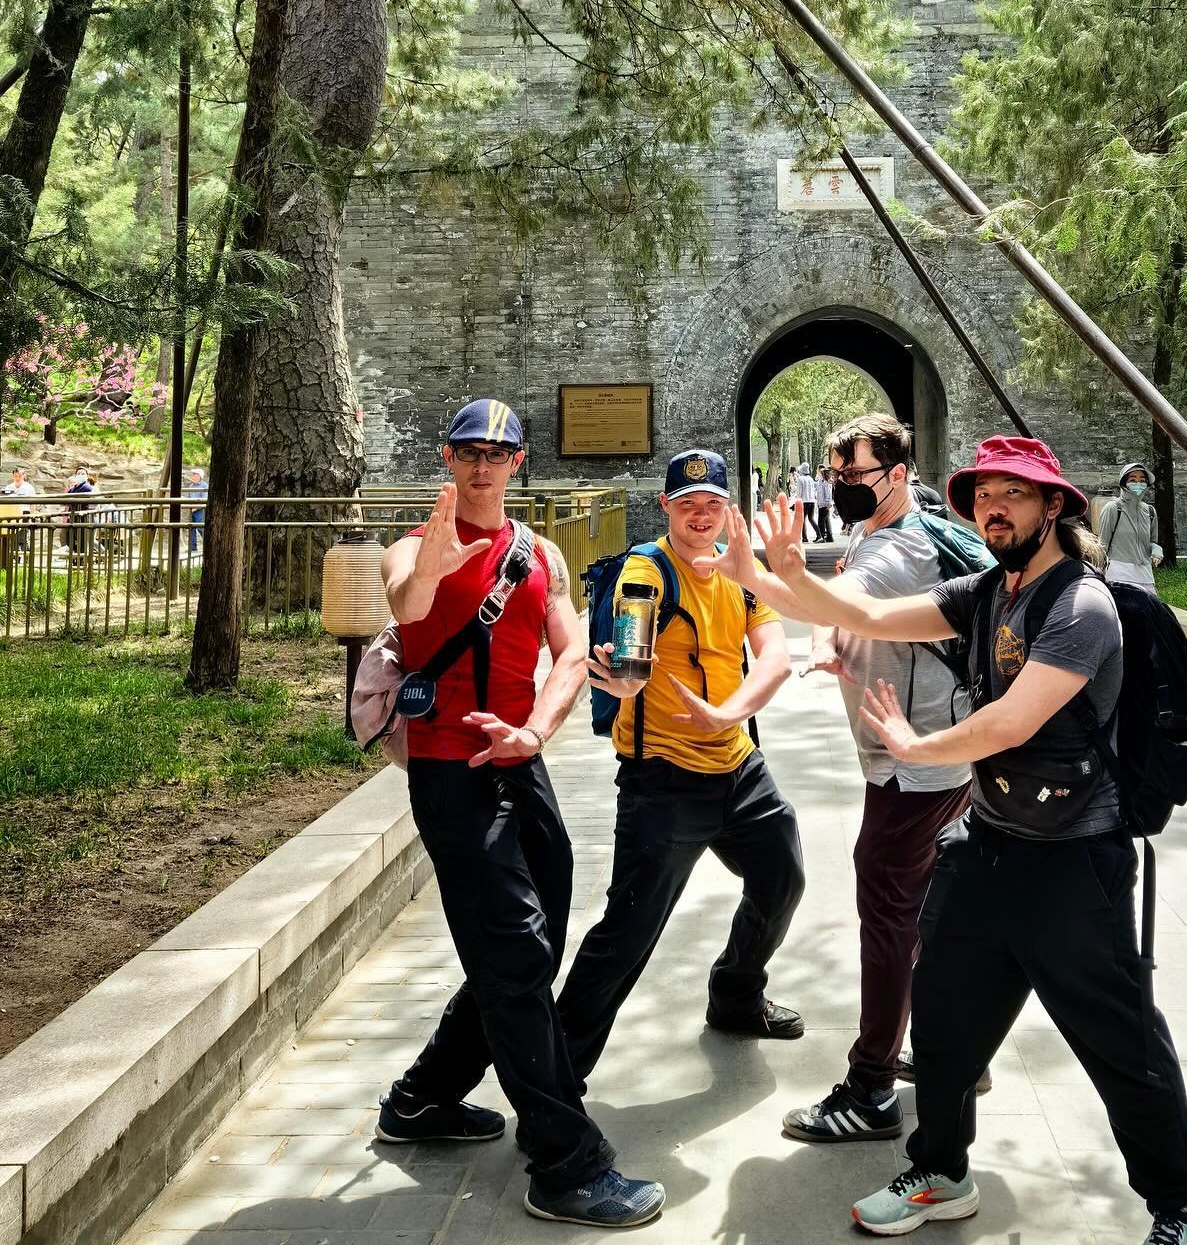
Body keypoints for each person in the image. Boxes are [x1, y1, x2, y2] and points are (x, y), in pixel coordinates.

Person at [706, 435, 1187, 1245]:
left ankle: (1178, 1209)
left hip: (1075, 863)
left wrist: (917, 747)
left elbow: (1012, 719)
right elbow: (862, 613)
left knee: (1119, 1042)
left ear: (1055, 507)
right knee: (940, 1021)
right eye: (982, 497)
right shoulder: (984, 591)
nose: (993, 508)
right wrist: (769, 577)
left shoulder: (1080, 606)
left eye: (1012, 494)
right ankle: (940, 1171)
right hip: (989, 847)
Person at [376, 397, 664, 1229]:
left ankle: (423, 1098)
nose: (481, 464)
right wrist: (434, 551)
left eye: (497, 452)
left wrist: (535, 727)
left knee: (535, 942)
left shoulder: (538, 555)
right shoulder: (411, 544)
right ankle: (565, 1163)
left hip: (519, 763)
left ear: (518, 461)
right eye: (468, 450)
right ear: (446, 456)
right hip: (448, 772)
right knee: (511, 956)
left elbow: (571, 650)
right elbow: (406, 604)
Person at [556, 446, 805, 1084]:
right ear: (666, 506)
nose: (700, 516)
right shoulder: (647, 572)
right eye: (687, 504)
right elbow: (632, 666)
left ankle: (736, 995)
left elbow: (774, 657)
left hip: (737, 766)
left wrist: (730, 715)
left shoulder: (737, 571)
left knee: (782, 878)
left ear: (728, 510)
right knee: (630, 931)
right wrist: (624, 680)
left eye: (712, 505)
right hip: (663, 778)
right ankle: (555, 1082)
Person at [771, 413, 988, 1145]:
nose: (843, 489)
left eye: (855, 477)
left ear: (897, 476)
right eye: (836, 477)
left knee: (889, 915)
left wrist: (761, 573)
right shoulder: (876, 530)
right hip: (925, 754)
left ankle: (870, 1088)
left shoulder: (904, 547)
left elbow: (839, 599)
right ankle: (947, 1051)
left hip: (911, 761)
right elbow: (851, 616)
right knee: (923, 911)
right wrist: (839, 645)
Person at [1098, 464, 1164, 590]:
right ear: (1124, 483)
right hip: (1119, 573)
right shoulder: (1113, 508)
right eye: (1133, 480)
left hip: (1145, 575)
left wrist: (1156, 551)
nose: (1138, 483)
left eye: (1142, 481)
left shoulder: (1150, 511)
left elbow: (1151, 542)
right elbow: (1102, 545)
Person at [187, 466, 208, 555]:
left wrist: (195, 508)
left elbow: (204, 499)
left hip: (200, 510)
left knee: (201, 528)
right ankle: (193, 547)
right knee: (191, 528)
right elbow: (188, 497)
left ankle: (207, 545)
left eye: (195, 474)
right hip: (192, 510)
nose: (193, 476)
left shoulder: (205, 486)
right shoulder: (191, 486)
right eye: (193, 474)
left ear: (200, 476)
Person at [795, 462, 818, 539]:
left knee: (802, 519)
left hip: (804, 502)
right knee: (811, 519)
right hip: (812, 501)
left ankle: (804, 537)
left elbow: (799, 492)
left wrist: (797, 501)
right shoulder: (811, 479)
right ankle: (819, 535)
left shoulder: (800, 479)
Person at [813, 465, 835, 542]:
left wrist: (828, 503)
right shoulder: (822, 481)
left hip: (824, 503)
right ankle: (829, 536)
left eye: (821, 473)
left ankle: (822, 535)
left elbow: (828, 494)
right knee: (826, 519)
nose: (819, 473)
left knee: (821, 520)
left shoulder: (826, 482)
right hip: (822, 503)